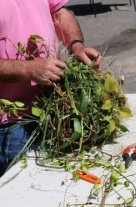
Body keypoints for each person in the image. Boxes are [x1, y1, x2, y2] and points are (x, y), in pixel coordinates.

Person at [0, 0, 102, 176]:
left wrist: (76, 45)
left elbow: (59, 13)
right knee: (21, 193)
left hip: (51, 107)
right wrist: (29, 69)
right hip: (12, 124)